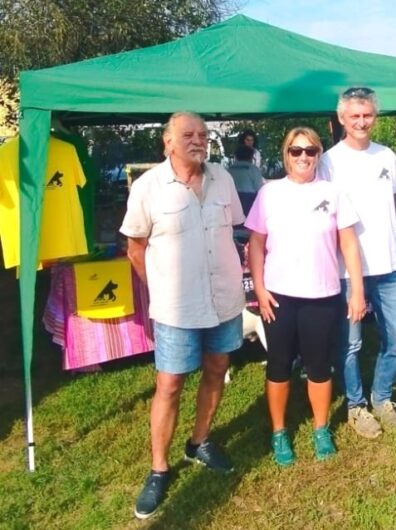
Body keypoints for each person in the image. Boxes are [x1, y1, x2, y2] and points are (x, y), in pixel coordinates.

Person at [120, 112, 246, 519]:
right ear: (167, 142)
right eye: (188, 134)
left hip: (224, 299)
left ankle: (199, 442)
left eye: (203, 134)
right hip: (176, 307)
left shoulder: (224, 179)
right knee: (170, 384)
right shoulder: (147, 188)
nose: (198, 140)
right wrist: (159, 290)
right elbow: (135, 248)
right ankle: (159, 469)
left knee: (217, 368)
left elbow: (236, 231)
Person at [245, 127, 366, 466]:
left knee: (319, 366)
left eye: (310, 151)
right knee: (279, 366)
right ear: (286, 154)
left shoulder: (333, 192)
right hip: (279, 297)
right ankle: (280, 432)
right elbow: (255, 244)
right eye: (296, 151)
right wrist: (259, 287)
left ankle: (320, 428)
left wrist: (356, 290)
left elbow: (349, 244)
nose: (303, 157)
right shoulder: (270, 193)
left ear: (318, 154)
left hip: (322, 295)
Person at [318, 87, 396, 439]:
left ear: (375, 116)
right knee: (351, 344)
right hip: (346, 271)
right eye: (354, 116)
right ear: (341, 118)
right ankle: (356, 406)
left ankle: (382, 396)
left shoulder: (387, 156)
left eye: (367, 115)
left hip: (389, 265)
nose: (361, 122)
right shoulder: (328, 161)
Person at [227, 144, 264, 215]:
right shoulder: (253, 169)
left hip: (231, 200)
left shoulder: (230, 169)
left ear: (236, 156)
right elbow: (259, 188)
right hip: (249, 201)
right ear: (251, 157)